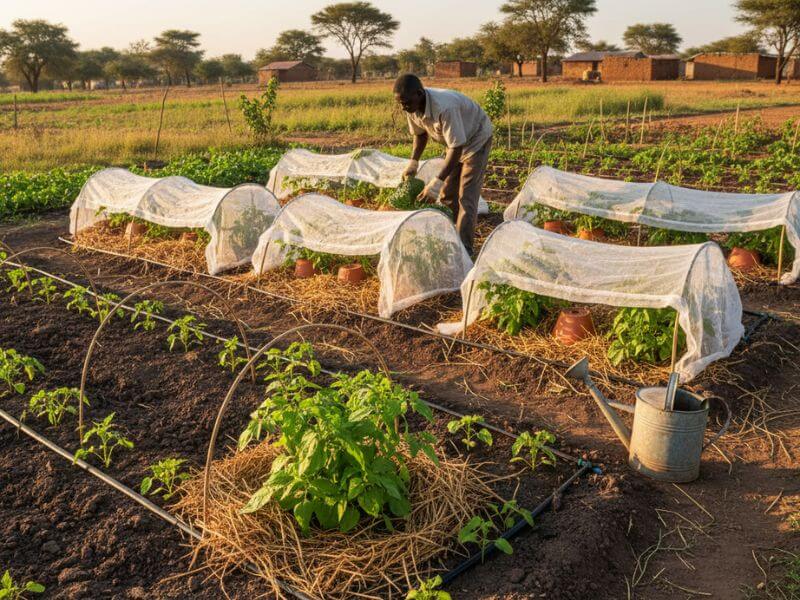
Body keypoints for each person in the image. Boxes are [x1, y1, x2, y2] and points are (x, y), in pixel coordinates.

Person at [393, 74, 493, 256]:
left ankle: (464, 252)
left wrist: (436, 181)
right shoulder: (412, 108)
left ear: (419, 94)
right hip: (454, 143)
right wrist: (413, 162)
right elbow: (420, 134)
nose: (403, 107)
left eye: (406, 102)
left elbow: (457, 148)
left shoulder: (445, 107)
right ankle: (450, 238)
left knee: (466, 197)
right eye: (400, 103)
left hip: (476, 139)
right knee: (447, 195)